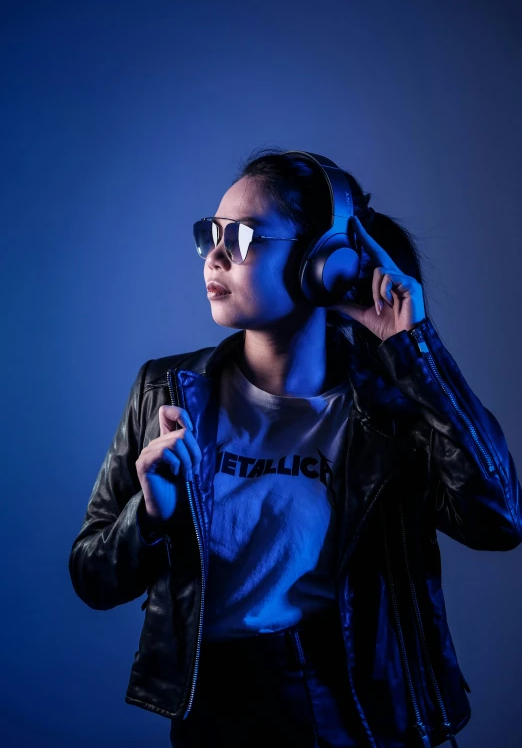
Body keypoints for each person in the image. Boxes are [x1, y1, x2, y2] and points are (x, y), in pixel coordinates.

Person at [69, 147, 522, 748]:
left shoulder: (390, 407)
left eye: (246, 237)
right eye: (212, 234)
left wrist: (414, 349)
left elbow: (499, 520)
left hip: (360, 712)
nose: (217, 254)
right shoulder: (163, 390)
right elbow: (92, 578)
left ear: (323, 262)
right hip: (214, 716)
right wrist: (149, 514)